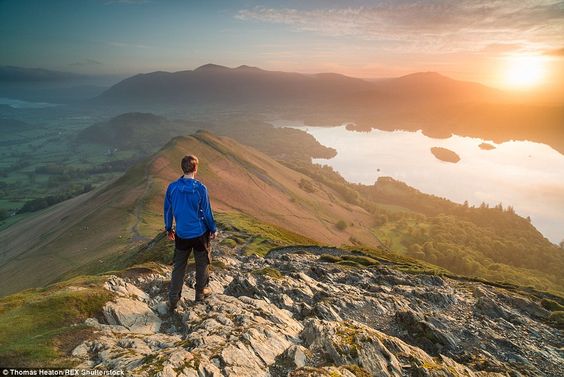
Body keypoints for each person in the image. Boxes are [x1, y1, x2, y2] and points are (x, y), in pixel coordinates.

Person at [163, 154, 218, 310]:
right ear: (195, 168)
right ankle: (200, 293)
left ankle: (174, 298)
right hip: (200, 233)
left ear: (182, 168)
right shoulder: (200, 188)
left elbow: (168, 210)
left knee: (179, 265)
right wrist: (213, 228)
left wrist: (169, 228)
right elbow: (207, 212)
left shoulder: (172, 187)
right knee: (202, 263)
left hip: (181, 233)